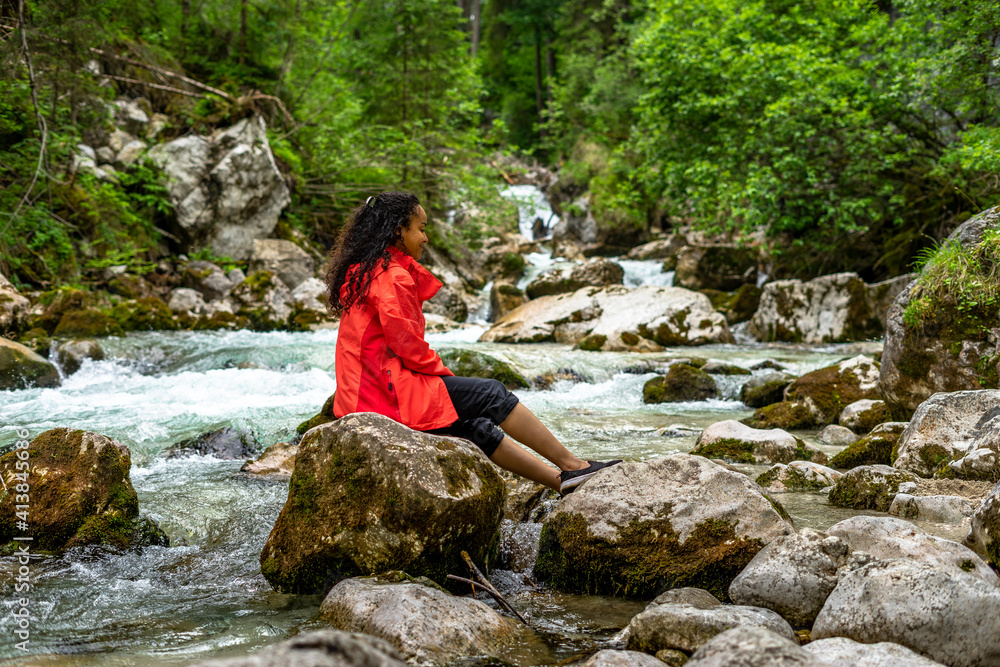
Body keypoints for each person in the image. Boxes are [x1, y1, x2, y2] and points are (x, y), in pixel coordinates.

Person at [325, 191, 620, 495]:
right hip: (383, 396)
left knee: (475, 426)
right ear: (398, 230)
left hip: (360, 397)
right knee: (491, 394)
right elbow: (408, 346)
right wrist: (447, 379)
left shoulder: (364, 271)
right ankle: (573, 464)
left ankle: (561, 483)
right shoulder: (392, 276)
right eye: (421, 229)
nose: (426, 238)